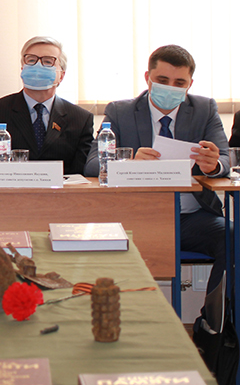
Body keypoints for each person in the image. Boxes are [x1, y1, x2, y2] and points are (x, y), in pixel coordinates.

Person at [84, 44, 228, 295]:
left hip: (190, 217)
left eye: (179, 82)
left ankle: (216, 318)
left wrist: (213, 165)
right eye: (162, 80)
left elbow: (224, 158)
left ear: (190, 85)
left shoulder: (204, 109)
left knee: (233, 237)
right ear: (147, 78)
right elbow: (92, 164)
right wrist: (127, 162)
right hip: (134, 217)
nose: (170, 87)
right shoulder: (120, 111)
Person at [0, 36, 94, 176]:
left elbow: (81, 176)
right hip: (9, 189)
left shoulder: (80, 119)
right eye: (31, 60)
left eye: (47, 61)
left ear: (61, 75)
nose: (38, 67)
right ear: (22, 69)